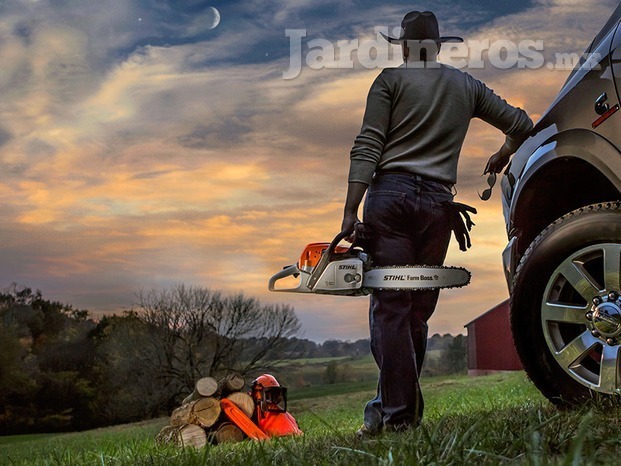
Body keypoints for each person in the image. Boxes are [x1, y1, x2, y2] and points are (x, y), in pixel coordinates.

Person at [341, 11, 533, 436]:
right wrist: (503, 155)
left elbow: (369, 143)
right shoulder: (465, 85)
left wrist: (350, 211)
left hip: (389, 199)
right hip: (437, 206)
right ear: (440, 47)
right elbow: (521, 123)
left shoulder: (389, 81)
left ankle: (396, 418)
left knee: (391, 309)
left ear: (406, 48)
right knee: (415, 314)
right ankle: (392, 412)